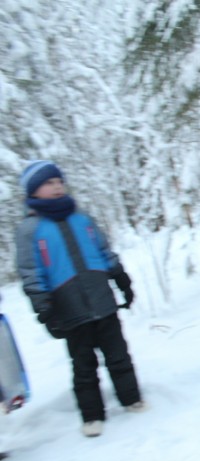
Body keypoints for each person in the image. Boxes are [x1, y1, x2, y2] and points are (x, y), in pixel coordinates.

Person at [15, 161, 145, 438]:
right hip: (69, 307)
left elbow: (103, 250)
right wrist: (43, 306)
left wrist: (121, 278)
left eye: (59, 181)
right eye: (49, 183)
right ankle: (92, 416)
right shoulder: (30, 230)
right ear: (34, 191)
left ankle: (131, 399)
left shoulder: (82, 218)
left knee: (119, 356)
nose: (57, 186)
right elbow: (31, 272)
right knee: (84, 366)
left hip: (102, 300)